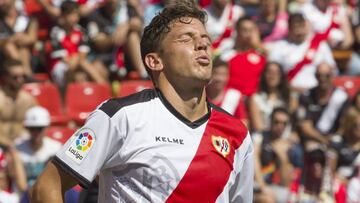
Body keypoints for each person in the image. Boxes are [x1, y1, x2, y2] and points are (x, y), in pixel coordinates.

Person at [30, 1, 254, 203]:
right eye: (186, 38)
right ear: (155, 61)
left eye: (206, 40)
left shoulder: (237, 134)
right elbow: (47, 186)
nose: (202, 45)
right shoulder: (120, 117)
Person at [268, 13, 336, 92]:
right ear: (289, 29)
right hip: (289, 91)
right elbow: (271, 70)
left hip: (315, 93)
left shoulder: (320, 45)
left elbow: (332, 69)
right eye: (296, 27)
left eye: (301, 26)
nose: (299, 31)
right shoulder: (280, 46)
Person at [49, 1, 108, 88]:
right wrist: (76, 59)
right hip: (61, 66)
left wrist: (77, 61)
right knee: (76, 63)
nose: (74, 18)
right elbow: (65, 59)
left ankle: (99, 92)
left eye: (76, 14)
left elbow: (82, 56)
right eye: (71, 14)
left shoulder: (81, 32)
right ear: (63, 16)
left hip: (78, 65)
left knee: (98, 67)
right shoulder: (56, 32)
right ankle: (104, 86)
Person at [253, 107, 300, 203]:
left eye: (284, 123)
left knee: (292, 198)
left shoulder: (288, 145)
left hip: (274, 187)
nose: (280, 126)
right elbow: (254, 161)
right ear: (270, 121)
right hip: (255, 184)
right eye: (277, 122)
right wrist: (263, 187)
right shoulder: (259, 137)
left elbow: (286, 183)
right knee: (267, 200)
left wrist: (282, 156)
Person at [15, 106, 62, 187]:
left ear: (46, 128)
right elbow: (20, 184)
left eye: (39, 128)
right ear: (27, 128)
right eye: (32, 128)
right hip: (22, 197)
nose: (36, 133)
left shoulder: (56, 149)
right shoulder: (17, 148)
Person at [221, 16, 267, 96]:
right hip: (231, 101)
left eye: (251, 30)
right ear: (237, 32)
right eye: (245, 30)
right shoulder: (227, 56)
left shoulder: (262, 55)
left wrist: (258, 45)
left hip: (253, 102)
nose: (248, 34)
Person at [248, 62, 297, 134]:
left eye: (276, 72)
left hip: (286, 139)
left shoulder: (289, 98)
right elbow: (258, 126)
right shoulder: (256, 98)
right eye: (269, 72)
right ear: (264, 75)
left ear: (281, 76)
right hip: (263, 138)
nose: (273, 76)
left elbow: (292, 123)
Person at [0, 59, 37, 145]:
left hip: (22, 146)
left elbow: (39, 124)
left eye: (23, 76)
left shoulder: (29, 100)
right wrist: (8, 146)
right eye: (15, 77)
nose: (20, 80)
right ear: (5, 77)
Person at [206, 57, 248, 126]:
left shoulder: (234, 96)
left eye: (223, 74)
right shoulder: (201, 94)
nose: (219, 78)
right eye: (216, 73)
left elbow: (243, 123)